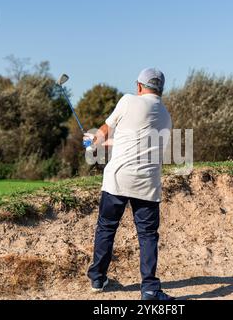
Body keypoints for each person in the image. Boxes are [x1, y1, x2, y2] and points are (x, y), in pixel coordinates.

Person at [84, 68, 174, 301]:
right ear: (161, 90)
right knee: (147, 235)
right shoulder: (166, 116)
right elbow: (142, 141)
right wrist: (110, 142)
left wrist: (92, 142)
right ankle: (150, 289)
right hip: (147, 184)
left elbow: (104, 131)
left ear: (139, 87)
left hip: (118, 180)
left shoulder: (127, 101)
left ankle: (98, 278)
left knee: (106, 228)